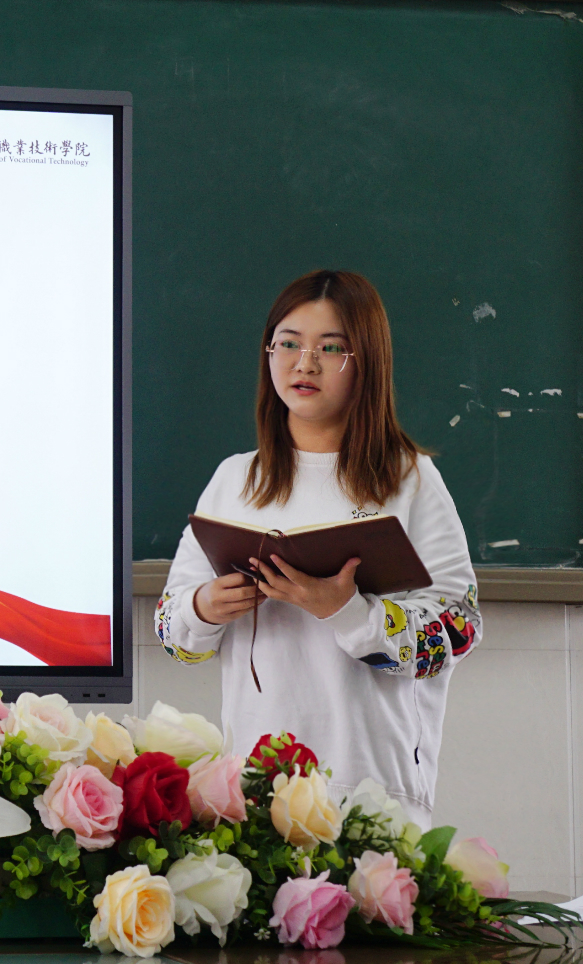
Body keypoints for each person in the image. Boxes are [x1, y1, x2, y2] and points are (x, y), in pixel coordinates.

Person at [155, 269, 481, 827]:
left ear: (367, 362)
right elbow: (172, 633)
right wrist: (205, 607)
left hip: (374, 785)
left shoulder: (408, 478)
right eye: (288, 344)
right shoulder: (237, 479)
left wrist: (347, 611)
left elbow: (458, 629)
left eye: (331, 348)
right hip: (255, 787)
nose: (304, 364)